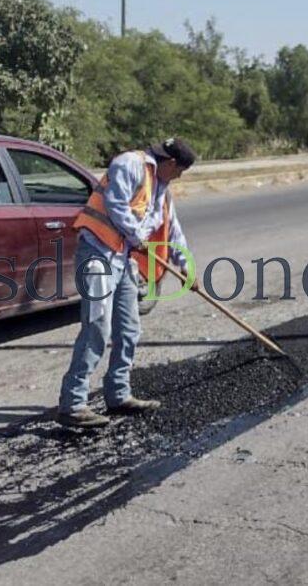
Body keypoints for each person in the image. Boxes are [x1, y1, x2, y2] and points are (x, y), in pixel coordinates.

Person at [57, 138, 199, 429]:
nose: (179, 177)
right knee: (97, 326)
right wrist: (139, 239)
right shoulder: (129, 164)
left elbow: (173, 231)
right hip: (97, 254)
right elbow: (116, 205)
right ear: (171, 163)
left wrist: (187, 268)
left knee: (129, 327)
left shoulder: (162, 189)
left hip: (122, 259)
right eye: (180, 171)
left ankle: (118, 394)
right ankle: (72, 404)